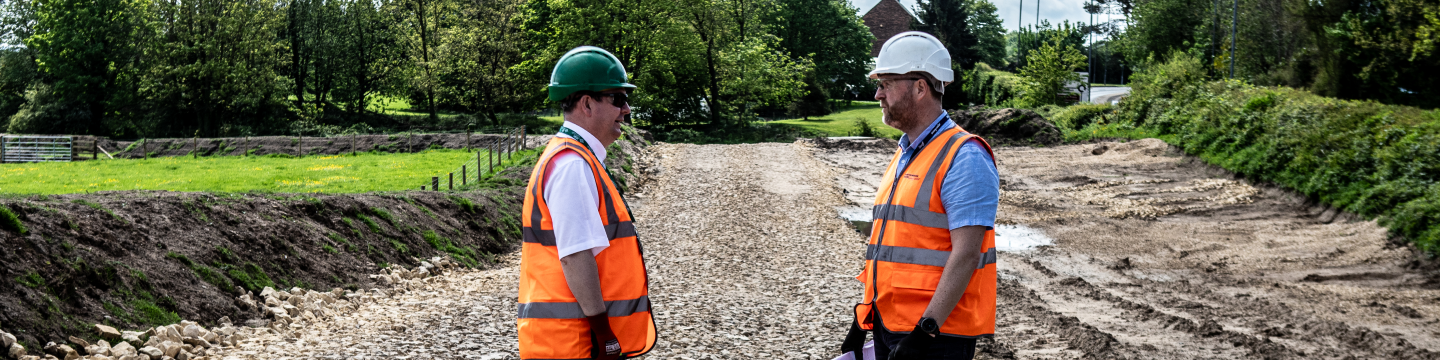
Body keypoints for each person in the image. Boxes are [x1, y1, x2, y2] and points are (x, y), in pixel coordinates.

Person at [840, 31, 1000, 360]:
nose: (877, 94)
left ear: (920, 87)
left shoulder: (964, 156)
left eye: (886, 84)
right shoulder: (906, 153)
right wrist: (865, 318)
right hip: (890, 326)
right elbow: (892, 246)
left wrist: (925, 331)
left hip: (934, 337)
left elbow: (967, 255)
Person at [518, 46, 656, 360]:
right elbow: (575, 255)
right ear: (587, 103)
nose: (627, 110)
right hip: (575, 342)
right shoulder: (572, 165)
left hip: (572, 340)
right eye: (618, 99)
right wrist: (603, 333)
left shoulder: (576, 158)